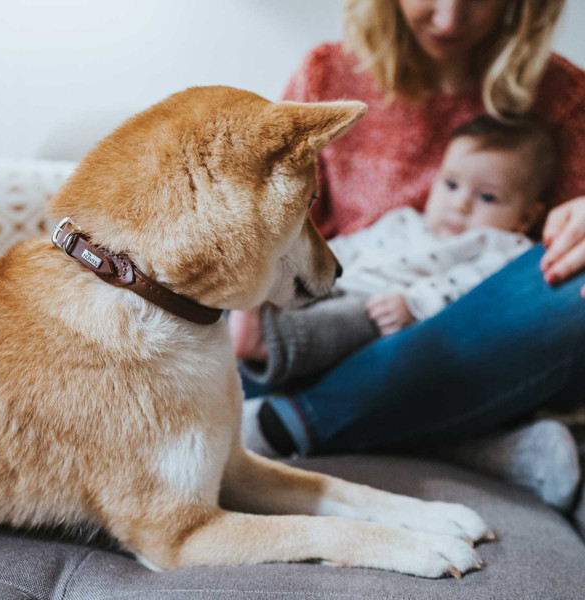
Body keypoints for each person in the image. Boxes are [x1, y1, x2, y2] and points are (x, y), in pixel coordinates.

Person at [231, 0, 585, 512]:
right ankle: (470, 446)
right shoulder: (327, 75)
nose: (449, 19)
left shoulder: (563, 99)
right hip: (327, 330)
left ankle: (285, 424)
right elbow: (269, 221)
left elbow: (546, 274)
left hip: (473, 331)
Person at [235, 114, 555, 386]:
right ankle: (244, 309)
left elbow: (475, 288)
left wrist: (415, 304)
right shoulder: (404, 221)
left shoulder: (504, 247)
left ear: (527, 216)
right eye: (451, 185)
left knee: (354, 320)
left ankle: (270, 342)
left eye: (487, 197)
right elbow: (349, 248)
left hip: (383, 311)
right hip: (339, 282)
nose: (459, 204)